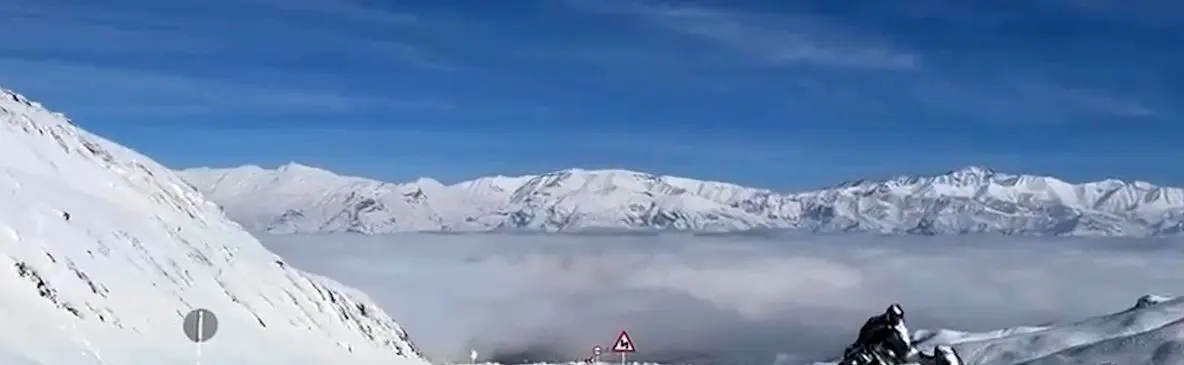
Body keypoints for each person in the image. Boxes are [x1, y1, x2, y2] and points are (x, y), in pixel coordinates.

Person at [844, 303, 912, 364]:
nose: (897, 319)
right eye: (895, 317)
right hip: (872, 347)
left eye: (898, 317)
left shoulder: (899, 325)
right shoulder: (878, 322)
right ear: (890, 314)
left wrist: (905, 348)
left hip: (891, 351)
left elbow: (903, 336)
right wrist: (862, 344)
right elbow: (866, 331)